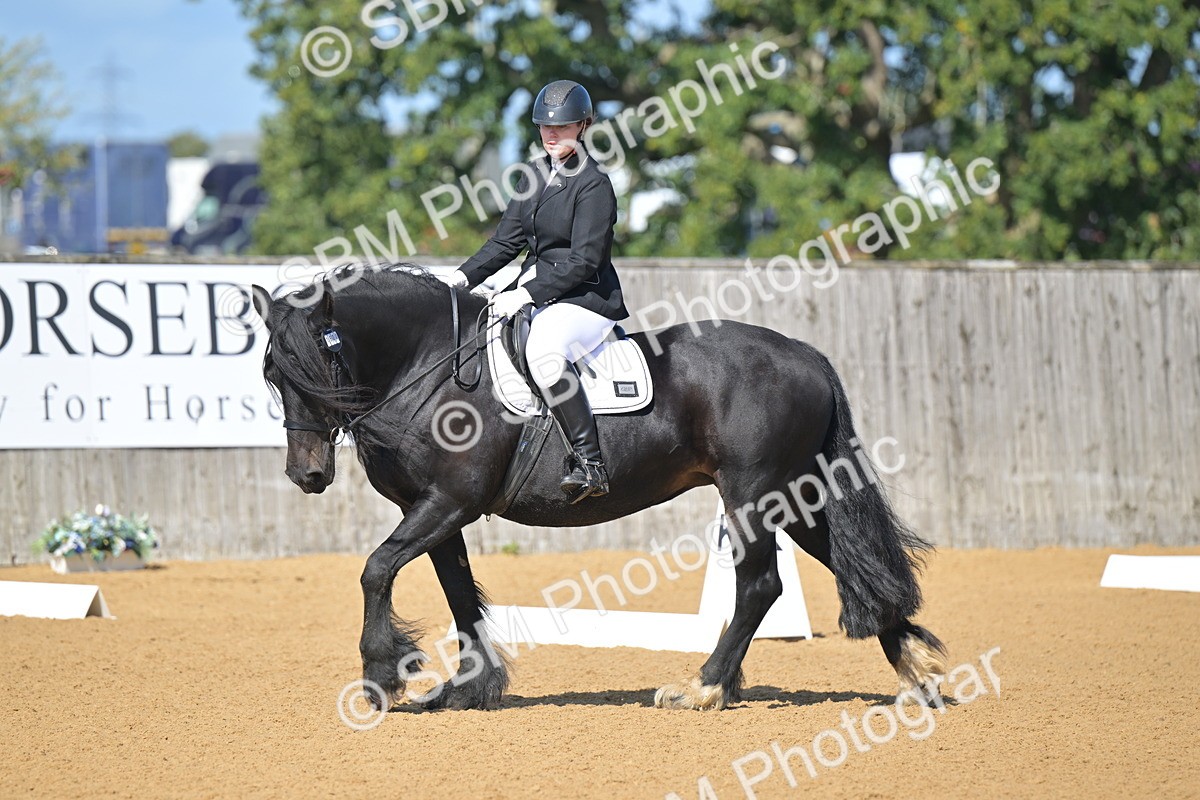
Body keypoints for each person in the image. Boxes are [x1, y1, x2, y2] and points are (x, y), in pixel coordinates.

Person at [446, 79, 628, 504]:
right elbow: (506, 242)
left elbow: (585, 260)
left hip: (586, 298)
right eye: (545, 127)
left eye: (562, 127)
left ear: (583, 126)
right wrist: (461, 278)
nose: (551, 134)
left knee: (545, 353)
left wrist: (527, 294)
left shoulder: (594, 184)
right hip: (537, 290)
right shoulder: (532, 173)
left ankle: (589, 462)